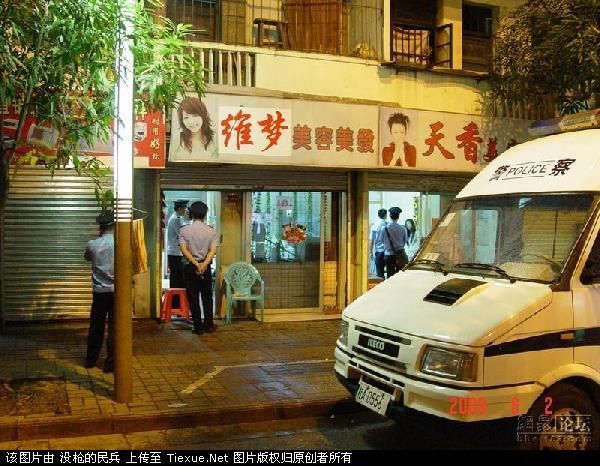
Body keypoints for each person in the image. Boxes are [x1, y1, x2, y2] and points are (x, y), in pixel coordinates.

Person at [179, 201, 219, 335]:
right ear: (205, 214)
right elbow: (213, 251)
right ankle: (209, 325)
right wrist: (204, 264)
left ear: (191, 214)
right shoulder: (211, 231)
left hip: (190, 267)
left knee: (193, 296)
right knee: (207, 296)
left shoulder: (184, 230)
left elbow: (184, 250)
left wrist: (196, 264)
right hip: (205, 268)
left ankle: (198, 327)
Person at [84, 211, 115, 373]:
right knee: (115, 328)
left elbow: (87, 257)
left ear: (100, 228)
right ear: (114, 226)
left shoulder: (92, 244)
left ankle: (91, 360)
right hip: (116, 292)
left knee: (96, 327)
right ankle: (111, 363)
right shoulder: (120, 244)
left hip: (99, 292)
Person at [167, 199, 188, 291]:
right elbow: (181, 234)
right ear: (179, 209)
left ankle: (176, 297)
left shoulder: (177, 218)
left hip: (175, 252)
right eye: (184, 209)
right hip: (175, 253)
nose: (185, 211)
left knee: (177, 277)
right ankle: (176, 297)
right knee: (177, 277)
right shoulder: (175, 219)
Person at [381, 206, 408, 278]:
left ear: (390, 216)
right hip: (400, 255)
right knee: (400, 276)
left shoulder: (384, 229)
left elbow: (382, 241)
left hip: (388, 255)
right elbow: (404, 241)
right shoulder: (403, 229)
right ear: (398, 216)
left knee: (390, 275)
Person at [369, 208, 388, 278]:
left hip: (379, 252)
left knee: (380, 273)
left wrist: (370, 251)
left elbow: (371, 240)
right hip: (388, 252)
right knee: (389, 272)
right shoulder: (388, 225)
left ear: (378, 215)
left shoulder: (375, 226)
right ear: (386, 215)